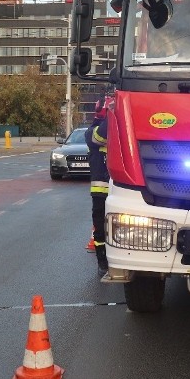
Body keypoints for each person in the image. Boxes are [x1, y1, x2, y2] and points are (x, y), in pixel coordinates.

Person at [85, 95, 113, 276]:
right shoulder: (92, 132)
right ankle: (102, 260)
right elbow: (102, 136)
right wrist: (112, 112)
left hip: (119, 188)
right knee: (100, 227)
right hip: (100, 191)